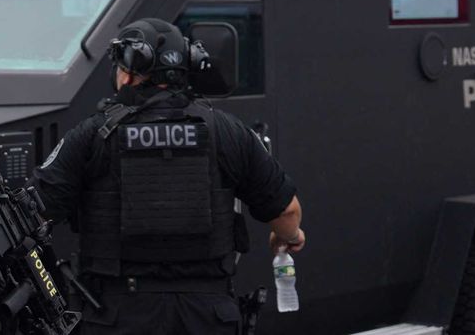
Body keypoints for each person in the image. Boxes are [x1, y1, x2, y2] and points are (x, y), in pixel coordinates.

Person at [29, 18, 304, 334]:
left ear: (128, 70)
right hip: (207, 317)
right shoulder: (227, 132)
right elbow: (287, 212)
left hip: (117, 316)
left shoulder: (93, 135)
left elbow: (34, 214)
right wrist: (288, 236)